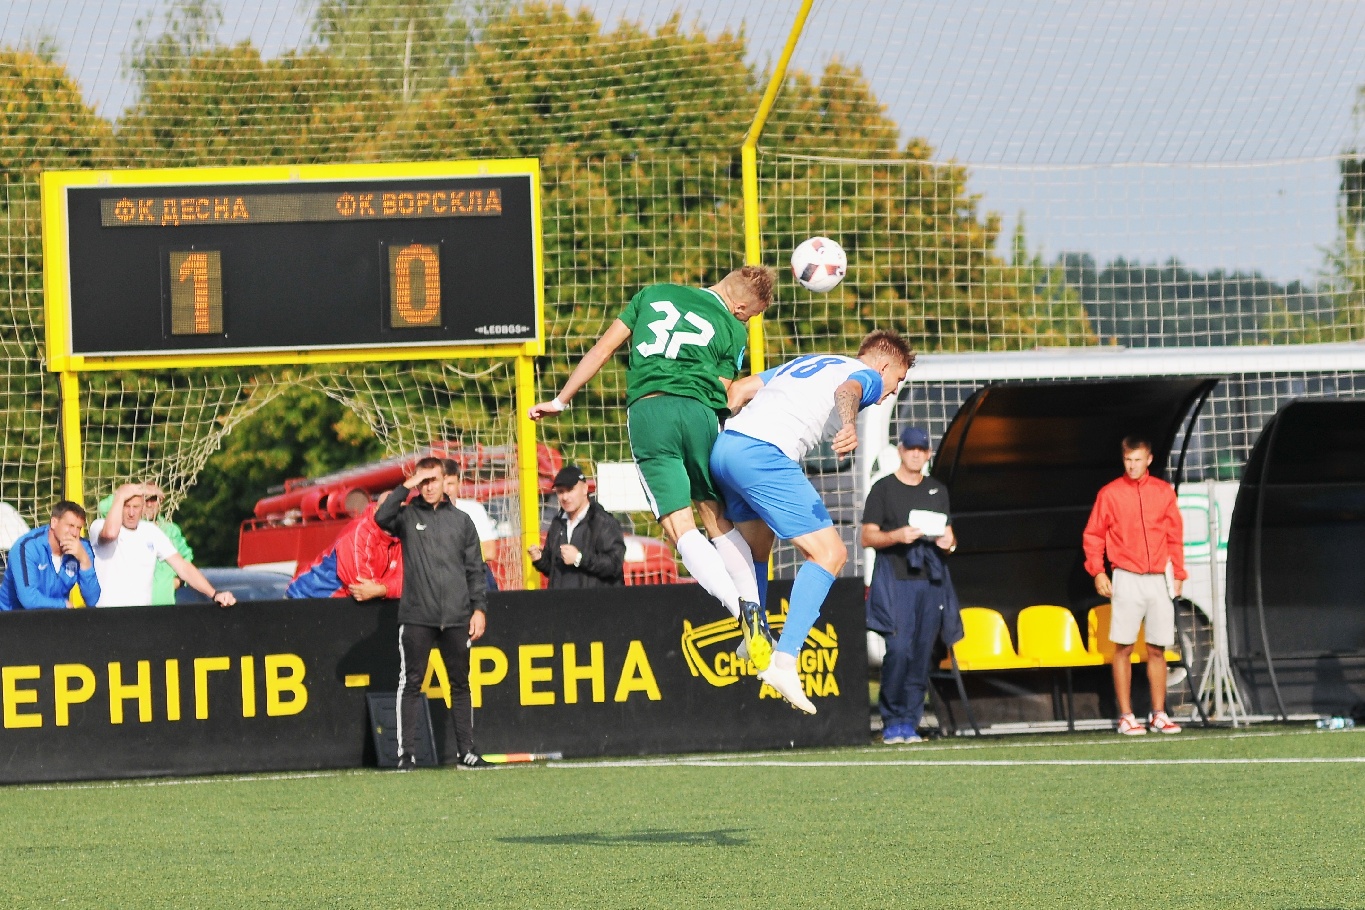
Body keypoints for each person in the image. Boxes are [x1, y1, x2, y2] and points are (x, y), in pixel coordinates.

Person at [528, 266, 774, 665]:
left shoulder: (652, 294)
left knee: (680, 527)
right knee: (716, 518)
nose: (746, 321)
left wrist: (561, 400)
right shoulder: (733, 328)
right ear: (741, 307)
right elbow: (728, 392)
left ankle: (742, 614)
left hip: (650, 411)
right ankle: (757, 613)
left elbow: (602, 350)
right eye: (751, 316)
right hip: (700, 414)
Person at [712, 329, 915, 713]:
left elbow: (736, 391)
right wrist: (849, 424)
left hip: (726, 449)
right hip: (763, 455)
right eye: (898, 379)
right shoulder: (866, 375)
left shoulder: (809, 362)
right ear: (885, 364)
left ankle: (754, 635)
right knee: (831, 554)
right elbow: (848, 391)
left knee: (758, 546)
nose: (892, 391)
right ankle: (785, 661)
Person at [374, 457, 490, 770]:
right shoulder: (407, 516)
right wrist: (406, 486)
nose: (428, 487)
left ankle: (466, 751)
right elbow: (381, 517)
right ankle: (406, 755)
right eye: (423, 482)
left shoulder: (462, 520)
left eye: (433, 480)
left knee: (460, 684)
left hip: (456, 616)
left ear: (444, 480)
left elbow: (474, 570)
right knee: (412, 683)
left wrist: (478, 609)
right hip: (417, 616)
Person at [861, 426, 963, 744]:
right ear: (901, 451)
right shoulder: (883, 489)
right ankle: (892, 720)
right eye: (911, 449)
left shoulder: (937, 490)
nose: (917, 455)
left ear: (928, 454)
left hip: (930, 581)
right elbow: (867, 536)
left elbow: (949, 536)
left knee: (922, 652)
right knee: (899, 650)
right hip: (896, 579)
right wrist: (897, 536)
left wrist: (949, 543)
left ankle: (910, 721)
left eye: (922, 450)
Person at [1083, 435, 1186, 735]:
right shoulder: (1110, 493)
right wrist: (1098, 572)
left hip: (1158, 578)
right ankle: (1126, 716)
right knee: (1124, 647)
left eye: (1138, 460)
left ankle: (1159, 714)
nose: (1132, 465)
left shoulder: (1163, 492)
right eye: (1128, 460)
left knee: (1157, 648)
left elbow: (1174, 535)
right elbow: (1093, 535)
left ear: (1149, 460)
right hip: (1126, 576)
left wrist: (1179, 573)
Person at [90, 483, 236, 608]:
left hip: (141, 616)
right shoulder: (99, 526)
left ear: (142, 507)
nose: (131, 513)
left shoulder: (151, 531)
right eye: (126, 506)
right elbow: (110, 533)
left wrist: (214, 594)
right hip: (108, 615)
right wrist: (121, 495)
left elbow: (183, 567)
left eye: (136, 507)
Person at [286, 491, 403, 601]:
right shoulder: (358, 533)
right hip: (305, 598)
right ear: (377, 509)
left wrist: (381, 590)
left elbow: (406, 582)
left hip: (340, 604)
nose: (400, 516)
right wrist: (385, 589)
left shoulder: (400, 537)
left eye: (403, 511)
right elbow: (361, 587)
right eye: (393, 509)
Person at [530, 464, 626, 588]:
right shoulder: (557, 523)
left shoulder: (603, 522)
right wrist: (540, 559)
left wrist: (579, 558)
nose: (565, 497)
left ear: (585, 489)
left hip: (596, 599)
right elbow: (553, 570)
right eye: (560, 492)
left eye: (570, 490)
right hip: (563, 599)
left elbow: (614, 564)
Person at [0, 500, 100, 611]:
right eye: (70, 526)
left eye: (79, 528)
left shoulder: (82, 549)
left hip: (54, 616)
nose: (74, 533)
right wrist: (63, 605)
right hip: (12, 616)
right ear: (54, 523)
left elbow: (92, 600)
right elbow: (29, 599)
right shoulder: (27, 547)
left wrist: (84, 560)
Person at [441, 458, 501, 592]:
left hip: (472, 576)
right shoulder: (424, 515)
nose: (446, 489)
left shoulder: (474, 510)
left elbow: (489, 551)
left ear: (459, 484)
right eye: (442, 484)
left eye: (450, 483)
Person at [141, 483, 195, 605]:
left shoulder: (171, 530)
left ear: (160, 501)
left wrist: (179, 581)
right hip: (135, 605)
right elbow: (104, 507)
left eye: (153, 499)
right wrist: (133, 490)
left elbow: (187, 558)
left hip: (164, 603)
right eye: (145, 499)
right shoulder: (128, 529)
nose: (149, 504)